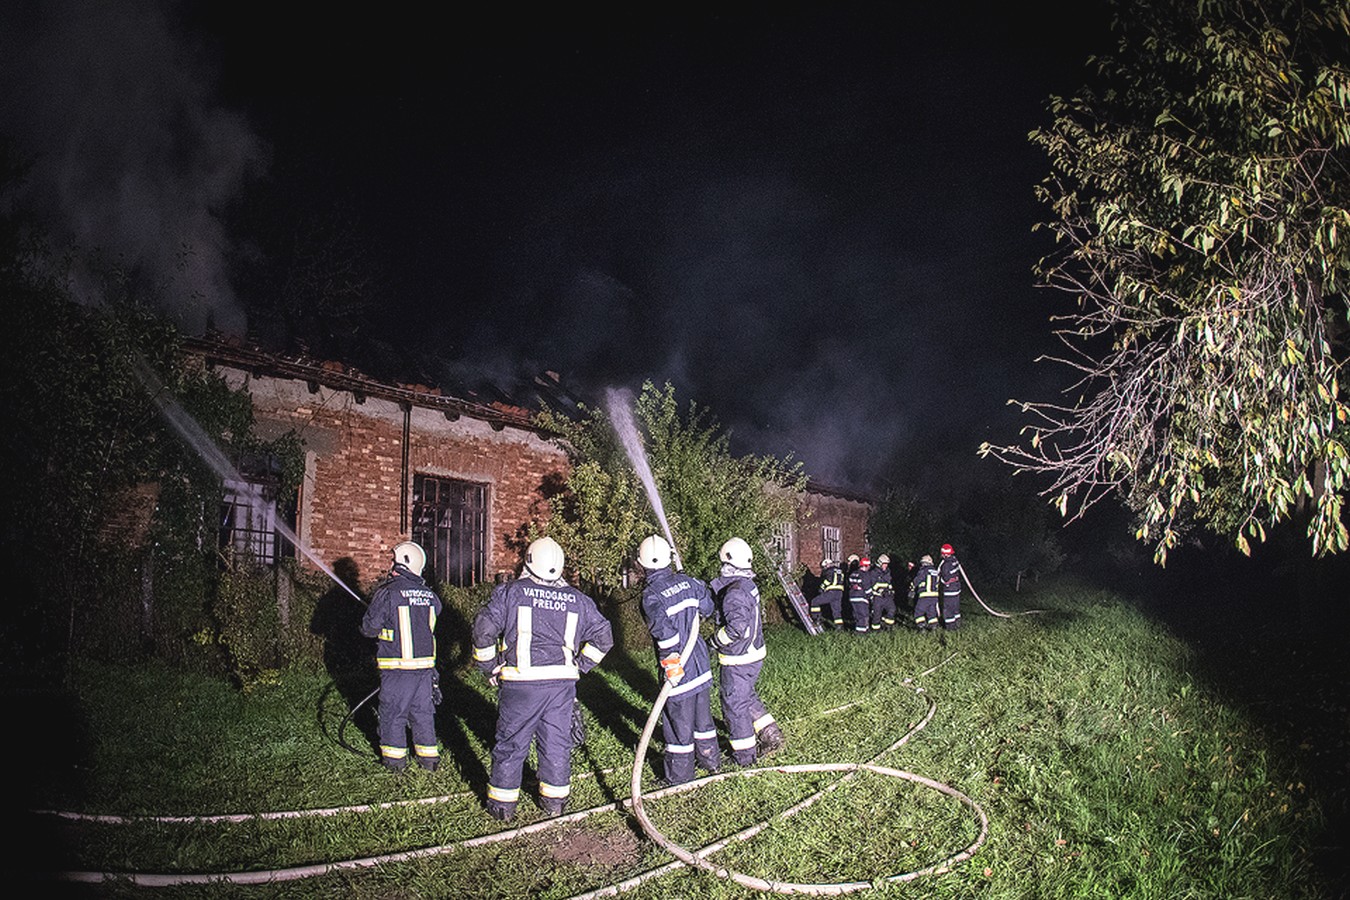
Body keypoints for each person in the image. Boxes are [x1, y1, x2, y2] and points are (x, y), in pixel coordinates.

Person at [472, 536, 614, 821]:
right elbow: (604, 637)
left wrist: (489, 667)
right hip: (561, 686)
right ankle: (554, 803)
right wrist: (580, 665)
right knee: (556, 742)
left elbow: (483, 630)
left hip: (521, 684)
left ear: (528, 562)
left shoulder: (510, 593)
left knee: (512, 743)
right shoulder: (578, 600)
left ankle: (503, 807)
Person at [636, 534, 721, 785]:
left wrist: (671, 665)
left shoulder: (651, 595)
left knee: (677, 725)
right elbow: (707, 609)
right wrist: (693, 586)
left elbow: (666, 635)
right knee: (703, 719)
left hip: (678, 671)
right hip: (701, 665)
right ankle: (711, 761)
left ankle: (679, 777)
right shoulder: (689, 583)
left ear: (642, 564)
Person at [360, 541, 442, 772]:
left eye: (393, 561)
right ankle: (429, 762)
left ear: (401, 563)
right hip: (425, 670)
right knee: (423, 714)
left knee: (393, 714)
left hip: (397, 669)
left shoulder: (387, 593)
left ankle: (395, 763)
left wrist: (371, 616)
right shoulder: (430, 596)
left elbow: (369, 629)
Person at [710, 537, 784, 766]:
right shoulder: (747, 585)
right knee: (746, 696)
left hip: (738, 659)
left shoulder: (734, 593)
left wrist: (712, 642)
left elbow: (736, 629)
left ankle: (744, 756)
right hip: (752, 654)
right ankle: (771, 734)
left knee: (734, 705)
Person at [808, 557, 845, 630]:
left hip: (831, 592)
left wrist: (821, 588)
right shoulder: (839, 570)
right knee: (836, 611)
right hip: (839, 592)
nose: (823, 569)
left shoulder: (829, 571)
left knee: (815, 602)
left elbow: (828, 580)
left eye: (824, 567)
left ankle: (817, 619)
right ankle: (840, 627)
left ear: (827, 565)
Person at [910, 554, 941, 632]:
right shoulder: (935, 571)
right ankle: (934, 627)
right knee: (931, 612)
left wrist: (912, 589)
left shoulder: (923, 570)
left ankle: (921, 627)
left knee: (918, 611)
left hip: (925, 595)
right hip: (934, 596)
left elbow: (917, 581)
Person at [937, 543, 964, 630]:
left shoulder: (945, 565)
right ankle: (957, 622)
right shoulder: (954, 560)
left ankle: (950, 627)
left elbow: (945, 579)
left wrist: (939, 581)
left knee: (948, 609)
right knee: (955, 606)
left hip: (949, 589)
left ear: (944, 554)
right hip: (956, 587)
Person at [847, 555, 875, 634]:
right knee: (863, 615)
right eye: (869, 566)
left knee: (857, 614)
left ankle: (864, 629)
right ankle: (861, 633)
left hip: (852, 597)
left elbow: (850, 584)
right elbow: (867, 588)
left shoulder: (853, 574)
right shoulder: (865, 575)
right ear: (866, 566)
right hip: (861, 597)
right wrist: (871, 598)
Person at [869, 554, 897, 631]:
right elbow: (873, 585)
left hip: (887, 596)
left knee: (892, 610)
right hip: (878, 597)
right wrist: (879, 590)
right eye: (884, 564)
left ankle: (888, 627)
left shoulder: (888, 572)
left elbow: (889, 583)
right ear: (879, 563)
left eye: (886, 564)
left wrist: (891, 590)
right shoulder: (873, 573)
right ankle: (876, 630)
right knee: (876, 614)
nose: (885, 566)